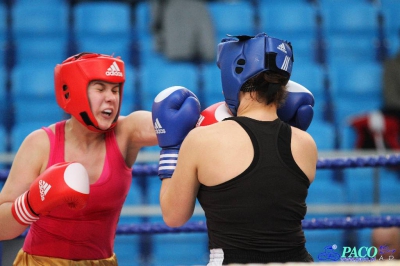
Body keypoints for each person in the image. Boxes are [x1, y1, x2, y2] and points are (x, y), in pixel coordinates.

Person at [152, 33, 317, 264]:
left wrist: (170, 149)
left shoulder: (202, 140)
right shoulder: (306, 144)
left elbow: (174, 216)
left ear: (234, 73)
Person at [0, 52, 158, 265]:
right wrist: (30, 204)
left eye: (115, 89)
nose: (110, 97)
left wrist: (174, 114)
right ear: (73, 90)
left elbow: (162, 123)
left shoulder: (125, 133)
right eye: (100, 89)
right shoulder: (40, 143)